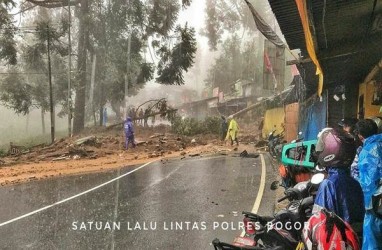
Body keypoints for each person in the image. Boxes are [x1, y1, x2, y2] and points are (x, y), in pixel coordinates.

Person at [313, 128, 365, 228]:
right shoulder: (355, 183)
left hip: (337, 239)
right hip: (355, 237)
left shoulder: (328, 184)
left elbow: (319, 220)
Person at [355, 119, 382, 250]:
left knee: (372, 237)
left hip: (376, 201)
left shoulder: (367, 151)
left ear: (360, 135)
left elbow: (368, 183)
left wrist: (367, 205)